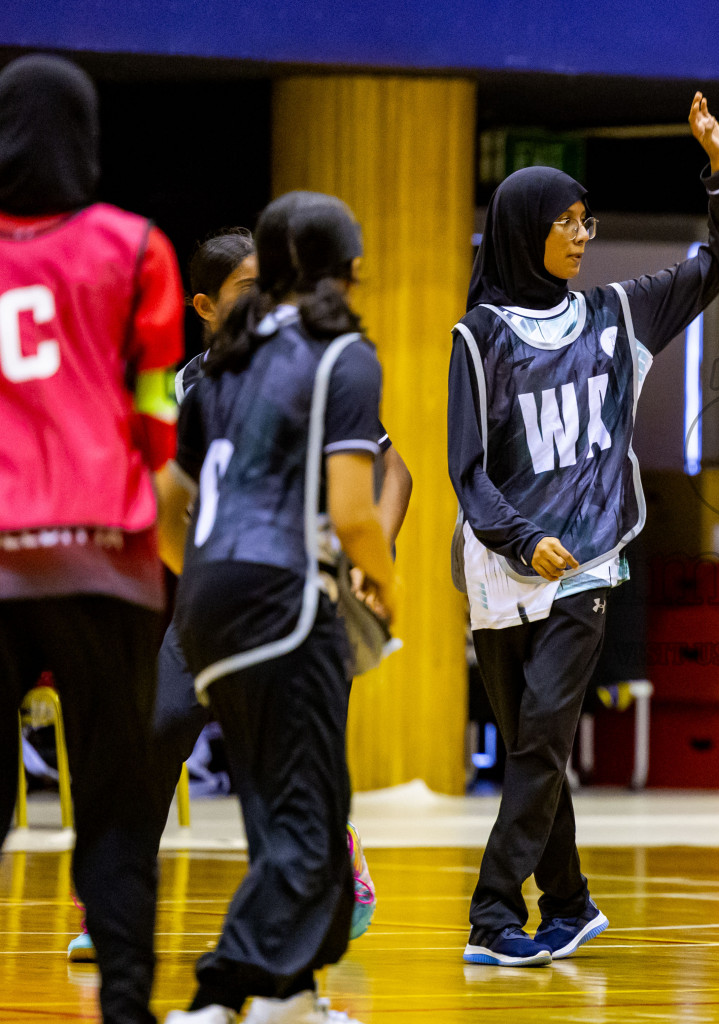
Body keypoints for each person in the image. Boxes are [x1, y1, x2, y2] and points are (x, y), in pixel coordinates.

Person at [448, 92, 719, 967]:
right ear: (522, 230)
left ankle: (495, 915)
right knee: (534, 753)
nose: (582, 235)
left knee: (540, 741)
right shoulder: (480, 337)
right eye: (566, 222)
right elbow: (467, 470)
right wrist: (514, 539)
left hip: (587, 562)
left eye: (587, 219)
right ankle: (569, 903)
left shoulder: (622, 314)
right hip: (502, 568)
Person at [65, 229, 408, 963]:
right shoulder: (182, 388)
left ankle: (333, 875)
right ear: (204, 307)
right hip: (208, 605)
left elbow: (394, 472)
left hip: (303, 604)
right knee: (152, 732)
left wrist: (365, 559)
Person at [156, 191, 396, 1024]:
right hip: (281, 600)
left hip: (205, 606)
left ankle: (291, 995)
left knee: (289, 805)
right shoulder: (342, 356)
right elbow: (358, 512)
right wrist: (386, 588)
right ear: (347, 269)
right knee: (306, 819)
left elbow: (166, 505)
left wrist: (207, 587)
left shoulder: (219, 363)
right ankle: (220, 992)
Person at [0, 54, 183, 1024]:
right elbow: (157, 413)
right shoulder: (135, 246)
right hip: (105, 555)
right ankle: (121, 1004)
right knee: (113, 799)